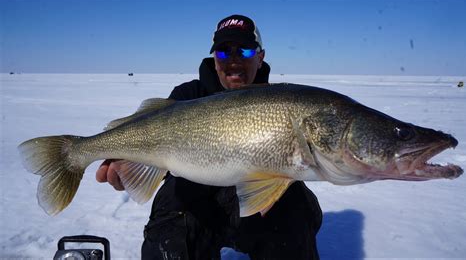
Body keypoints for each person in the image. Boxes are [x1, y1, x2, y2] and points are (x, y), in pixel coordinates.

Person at [96, 14, 322, 260]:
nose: (233, 60)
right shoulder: (187, 95)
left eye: (244, 51)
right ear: (214, 58)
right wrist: (128, 166)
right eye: (224, 52)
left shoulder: (282, 101)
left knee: (295, 208)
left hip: (254, 209)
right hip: (197, 205)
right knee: (170, 224)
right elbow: (156, 145)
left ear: (260, 56)